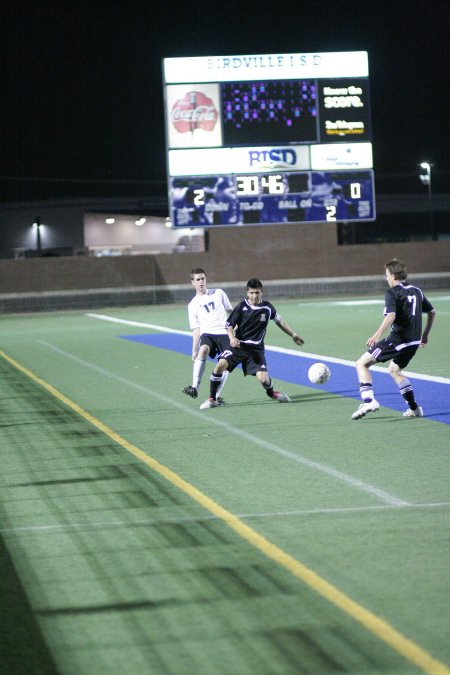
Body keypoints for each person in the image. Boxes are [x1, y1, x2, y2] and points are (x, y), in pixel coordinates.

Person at [199, 278, 305, 409]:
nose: (254, 296)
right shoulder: (241, 307)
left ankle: (272, 393)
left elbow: (280, 321)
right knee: (220, 366)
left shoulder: (267, 307)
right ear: (247, 293)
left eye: (257, 292)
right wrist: (232, 338)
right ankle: (212, 399)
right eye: (252, 293)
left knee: (264, 380)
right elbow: (229, 325)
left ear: (262, 292)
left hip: (256, 350)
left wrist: (293, 334)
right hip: (239, 346)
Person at [352, 258, 435, 420]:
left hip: (398, 340)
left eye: (387, 275)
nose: (386, 279)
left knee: (361, 363)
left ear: (395, 275)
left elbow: (391, 315)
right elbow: (432, 312)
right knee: (394, 370)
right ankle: (415, 409)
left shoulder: (392, 292)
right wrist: (425, 335)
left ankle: (368, 401)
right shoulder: (417, 291)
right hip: (414, 342)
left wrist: (376, 335)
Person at [182, 268, 232, 404]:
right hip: (207, 333)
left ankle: (215, 396)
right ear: (192, 282)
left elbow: (231, 312)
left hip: (223, 333)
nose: (201, 282)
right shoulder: (192, 305)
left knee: (224, 365)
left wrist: (234, 332)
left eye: (203, 278)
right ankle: (194, 388)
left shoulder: (219, 293)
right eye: (198, 279)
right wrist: (194, 350)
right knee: (203, 350)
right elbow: (196, 329)